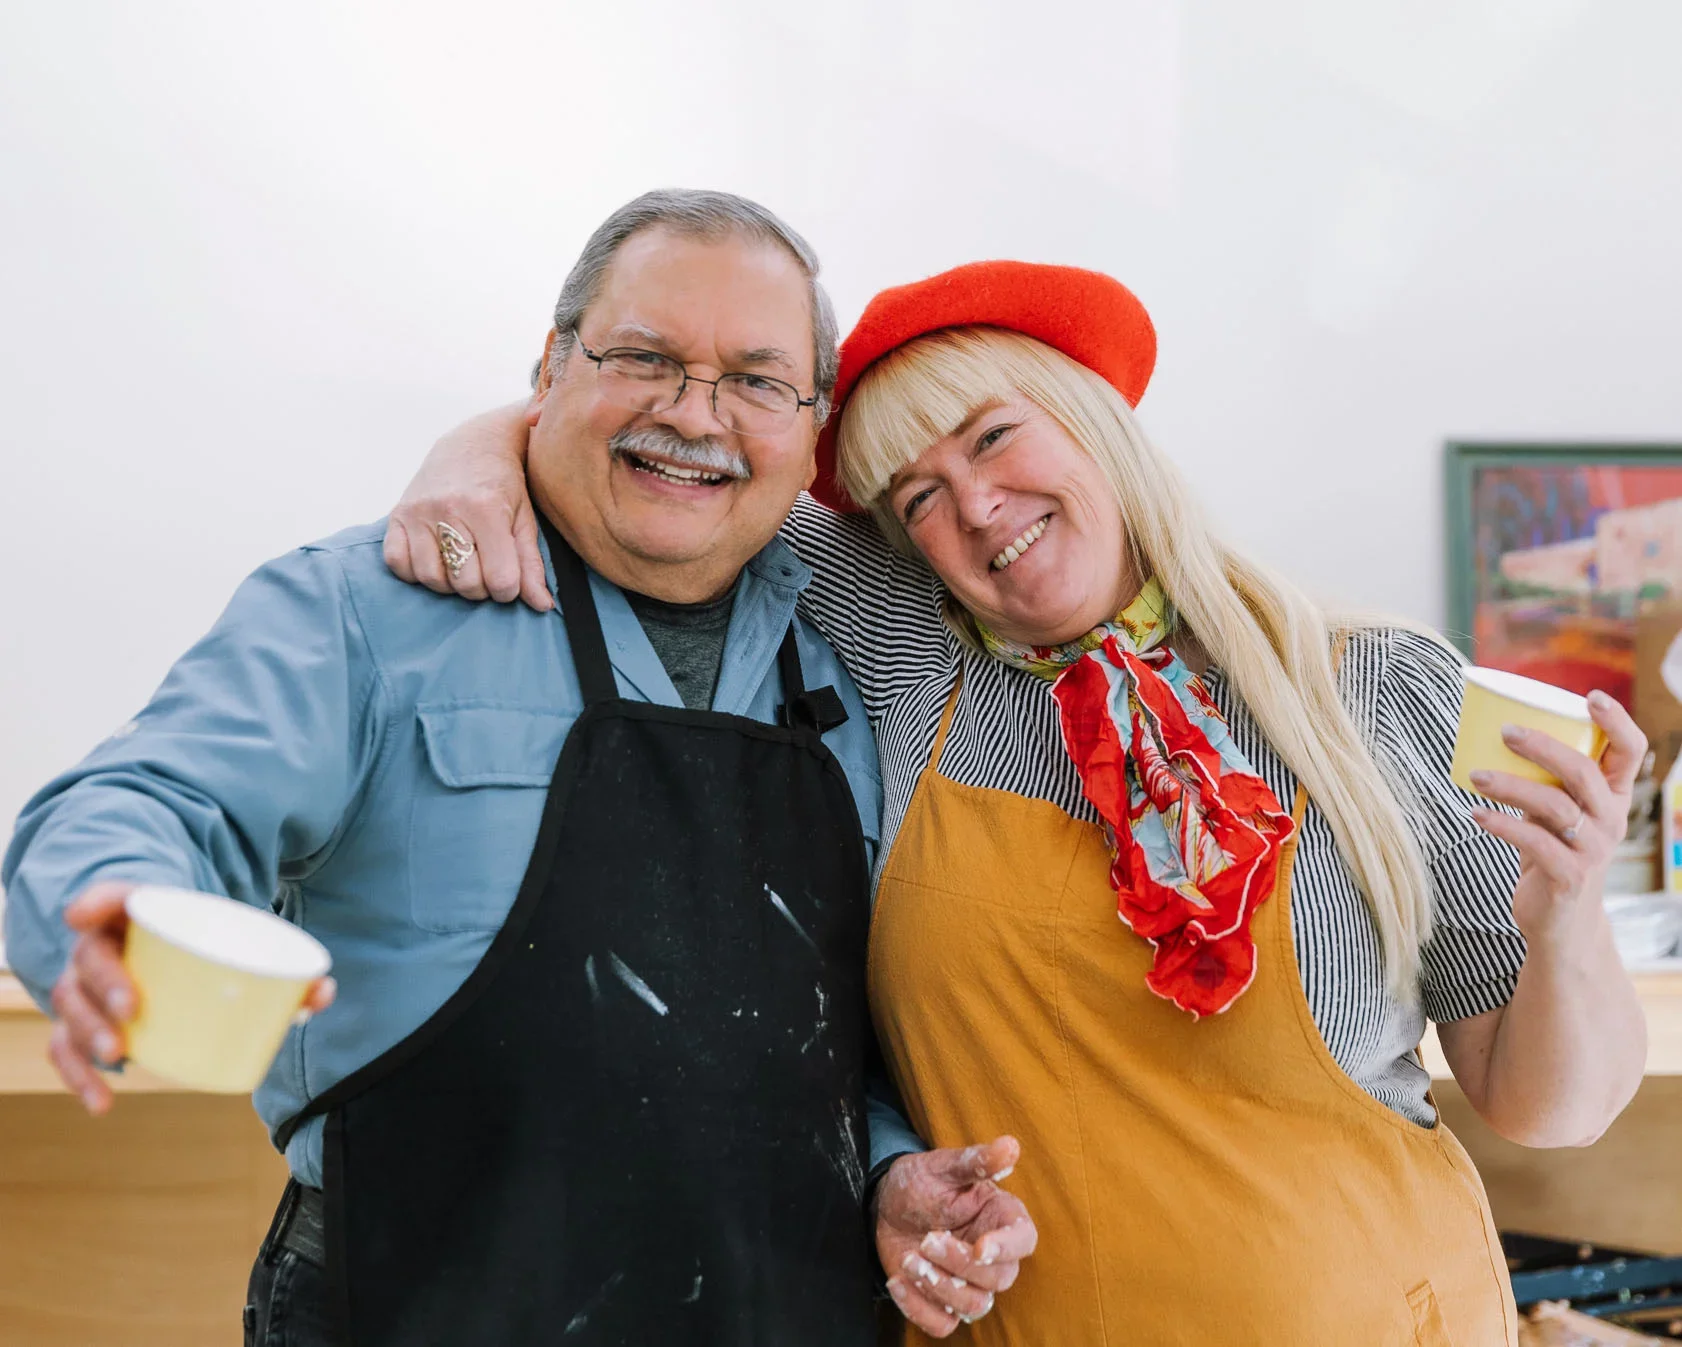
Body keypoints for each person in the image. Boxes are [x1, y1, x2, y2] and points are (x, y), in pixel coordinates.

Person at [387, 259, 1649, 1344]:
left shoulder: (1376, 689)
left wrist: (1564, 915)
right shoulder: (910, 654)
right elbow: (689, 465)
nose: (974, 508)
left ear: (1093, 423)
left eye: (992, 438)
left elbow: (1542, 1107)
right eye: (916, 498)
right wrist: (478, 452)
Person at [1, 192, 1036, 1347]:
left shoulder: (851, 667)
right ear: (549, 365)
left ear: (810, 427)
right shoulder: (367, 607)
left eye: (755, 380)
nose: (693, 414)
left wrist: (887, 1174)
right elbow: (149, 800)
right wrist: (114, 913)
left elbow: (830, 1041)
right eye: (643, 358)